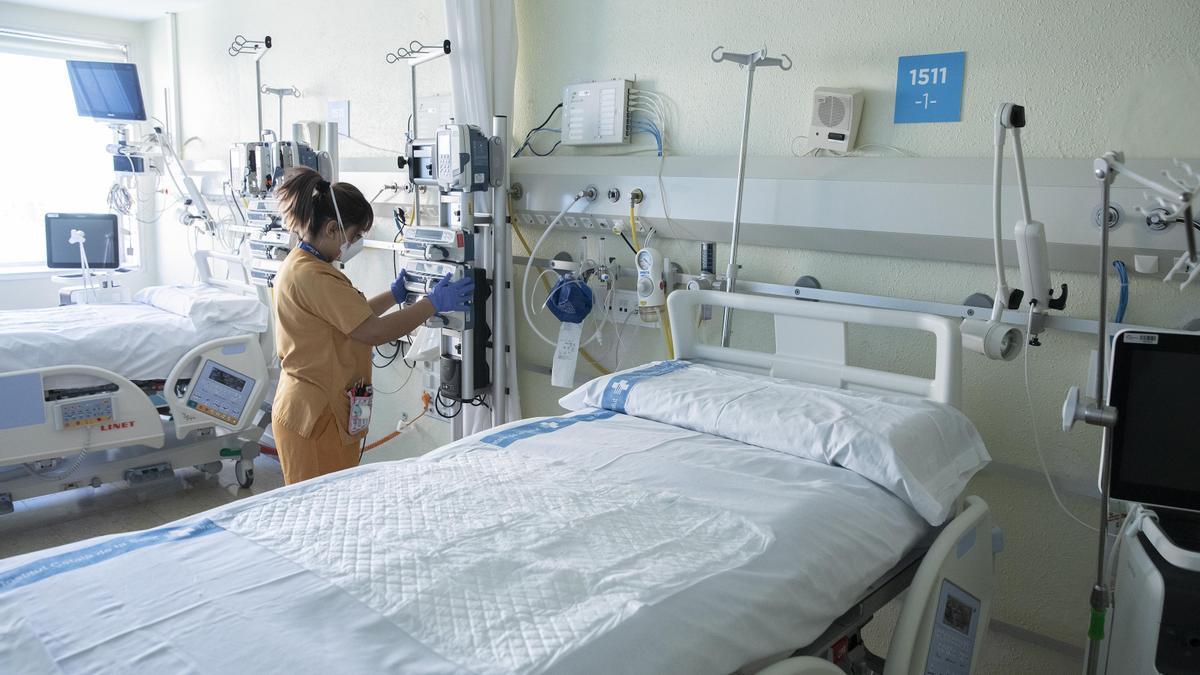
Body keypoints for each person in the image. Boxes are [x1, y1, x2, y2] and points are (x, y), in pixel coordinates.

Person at [270, 166, 473, 484]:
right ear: (332, 229)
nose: (352, 245)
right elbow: (372, 331)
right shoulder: (312, 275)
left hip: (314, 408)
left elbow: (349, 317)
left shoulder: (303, 265)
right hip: (315, 417)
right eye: (353, 237)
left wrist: (394, 296)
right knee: (323, 510)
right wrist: (432, 304)